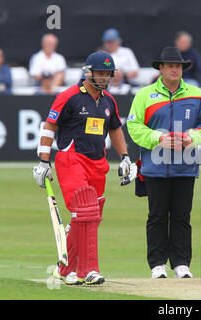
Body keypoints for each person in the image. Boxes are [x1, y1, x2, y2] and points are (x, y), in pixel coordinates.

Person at [32, 51, 137, 285]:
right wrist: (43, 160)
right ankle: (89, 270)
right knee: (84, 211)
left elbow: (115, 129)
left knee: (91, 216)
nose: (104, 78)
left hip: (98, 163)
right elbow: (50, 126)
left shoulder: (109, 100)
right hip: (72, 159)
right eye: (100, 73)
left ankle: (64, 268)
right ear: (88, 72)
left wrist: (125, 157)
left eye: (108, 74)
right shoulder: (69, 96)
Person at [127, 47, 201, 279]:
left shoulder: (196, 94)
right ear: (161, 69)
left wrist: (192, 138)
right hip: (154, 167)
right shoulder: (145, 95)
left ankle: (181, 263)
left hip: (185, 166)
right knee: (157, 215)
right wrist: (158, 138)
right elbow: (134, 127)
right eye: (170, 66)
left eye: (179, 66)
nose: (175, 69)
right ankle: (157, 264)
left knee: (181, 216)